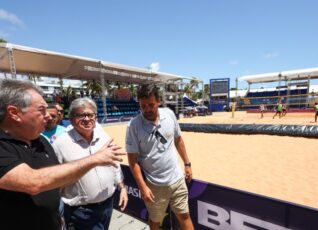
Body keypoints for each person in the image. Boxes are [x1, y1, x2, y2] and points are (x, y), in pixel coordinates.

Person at [0, 79, 125, 230]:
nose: (49, 116)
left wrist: (57, 214)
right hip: (81, 213)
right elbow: (33, 182)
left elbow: (55, 181)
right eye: (41, 110)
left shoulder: (41, 141)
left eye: (90, 115)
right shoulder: (57, 142)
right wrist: (95, 159)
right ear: (15, 113)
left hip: (92, 210)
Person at [53, 97, 128, 230]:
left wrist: (122, 188)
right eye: (81, 115)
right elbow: (54, 181)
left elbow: (114, 164)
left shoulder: (103, 136)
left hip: (107, 205)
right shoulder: (60, 144)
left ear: (95, 117)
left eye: (90, 114)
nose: (87, 119)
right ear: (71, 119)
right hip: (81, 212)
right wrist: (56, 212)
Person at [126, 84, 194, 230]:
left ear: (159, 101)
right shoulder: (134, 126)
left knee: (184, 216)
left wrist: (187, 164)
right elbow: (132, 161)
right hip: (154, 185)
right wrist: (143, 187)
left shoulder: (169, 114)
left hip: (177, 180)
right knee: (155, 222)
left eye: (151, 104)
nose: (147, 109)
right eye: (143, 106)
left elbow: (178, 140)